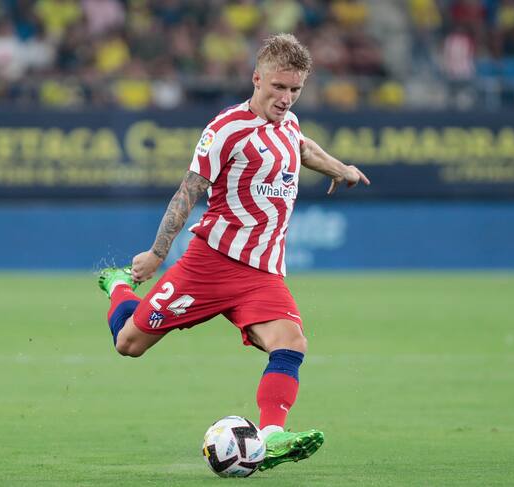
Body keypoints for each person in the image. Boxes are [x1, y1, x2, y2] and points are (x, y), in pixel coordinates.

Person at [97, 33, 370, 472]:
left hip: (262, 273)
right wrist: (157, 253)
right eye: (278, 87)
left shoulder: (289, 123)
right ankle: (117, 286)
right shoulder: (226, 129)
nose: (286, 98)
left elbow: (301, 147)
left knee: (291, 342)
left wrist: (340, 168)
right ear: (257, 78)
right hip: (209, 265)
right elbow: (188, 192)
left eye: (295, 89)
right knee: (129, 344)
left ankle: (272, 436)